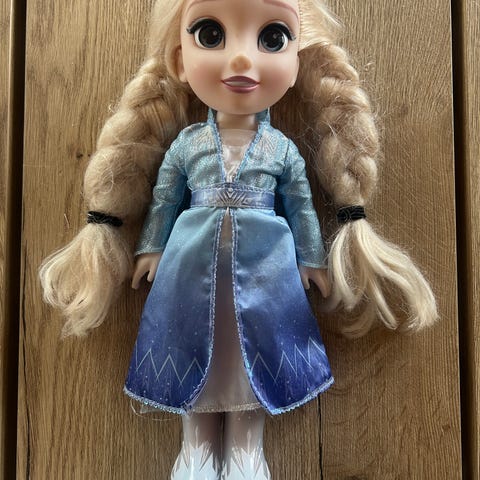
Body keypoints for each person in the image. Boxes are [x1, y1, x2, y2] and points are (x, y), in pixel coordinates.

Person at [40, 0, 437, 478]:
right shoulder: (188, 143)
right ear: (180, 60)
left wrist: (310, 258)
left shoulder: (281, 148)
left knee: (256, 351)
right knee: (193, 346)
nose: (243, 58)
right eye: (211, 35)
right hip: (189, 266)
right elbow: (165, 196)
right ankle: (197, 452)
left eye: (272, 38)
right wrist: (152, 246)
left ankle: (248, 453)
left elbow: (301, 205)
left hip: (268, 269)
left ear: (296, 65)